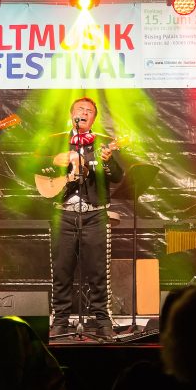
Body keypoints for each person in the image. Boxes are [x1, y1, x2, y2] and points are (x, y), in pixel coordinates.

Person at [49, 97, 123, 339]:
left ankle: (102, 321)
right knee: (62, 271)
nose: (84, 113)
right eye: (80, 110)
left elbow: (117, 176)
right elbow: (37, 169)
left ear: (94, 118)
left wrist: (108, 160)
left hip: (94, 214)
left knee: (98, 271)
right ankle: (60, 320)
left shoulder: (102, 143)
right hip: (63, 213)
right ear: (71, 114)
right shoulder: (57, 141)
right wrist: (55, 162)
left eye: (89, 111)